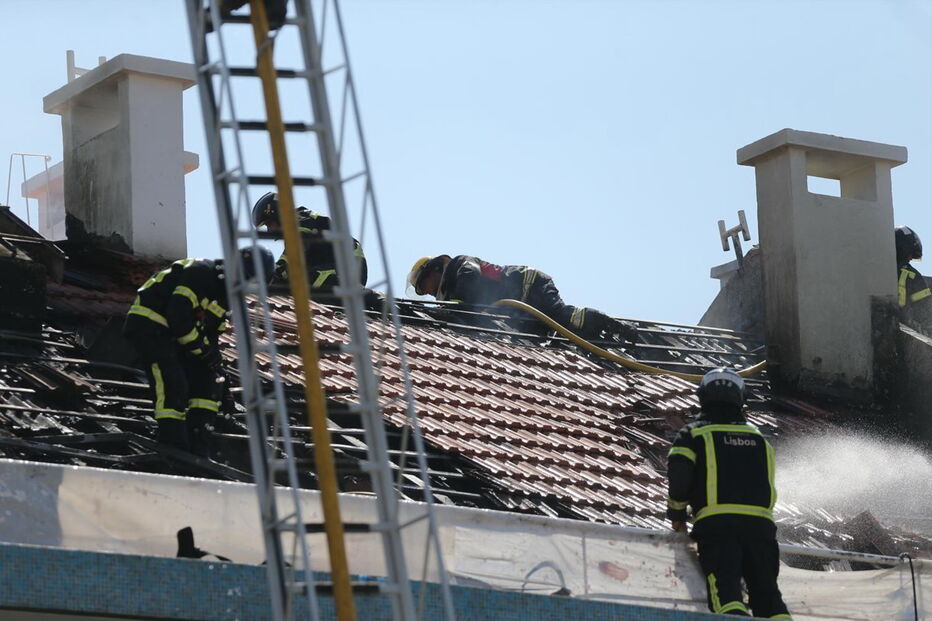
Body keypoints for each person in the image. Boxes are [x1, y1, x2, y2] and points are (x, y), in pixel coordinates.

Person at [123, 247, 274, 456]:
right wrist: (203, 350)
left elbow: (211, 335)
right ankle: (172, 443)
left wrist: (219, 371)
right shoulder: (201, 272)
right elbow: (178, 315)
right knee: (172, 380)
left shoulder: (226, 296)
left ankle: (199, 444)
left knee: (209, 382)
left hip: (177, 336)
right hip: (150, 324)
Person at [666, 368, 791, 618]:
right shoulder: (759, 438)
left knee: (726, 595)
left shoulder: (693, 434)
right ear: (740, 399)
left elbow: (680, 478)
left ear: (703, 397)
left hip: (717, 527)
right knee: (768, 597)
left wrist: (677, 515)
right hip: (761, 529)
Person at [406, 254, 638, 343]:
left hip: (530, 285)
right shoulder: (454, 295)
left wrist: (459, 305)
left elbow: (471, 281)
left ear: (435, 270)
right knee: (543, 342)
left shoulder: (460, 265)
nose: (426, 292)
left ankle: (615, 326)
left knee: (561, 318)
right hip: (520, 310)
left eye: (424, 286)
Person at [252, 192, 367, 292]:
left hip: (349, 266)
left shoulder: (300, 219)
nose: (269, 230)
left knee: (306, 279)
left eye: (269, 224)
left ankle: (373, 298)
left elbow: (295, 251)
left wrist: (274, 272)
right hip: (330, 266)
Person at [895, 226, 931, 329]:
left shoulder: (880, 268)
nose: (910, 258)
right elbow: (925, 310)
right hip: (906, 328)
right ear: (904, 249)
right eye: (910, 254)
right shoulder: (912, 275)